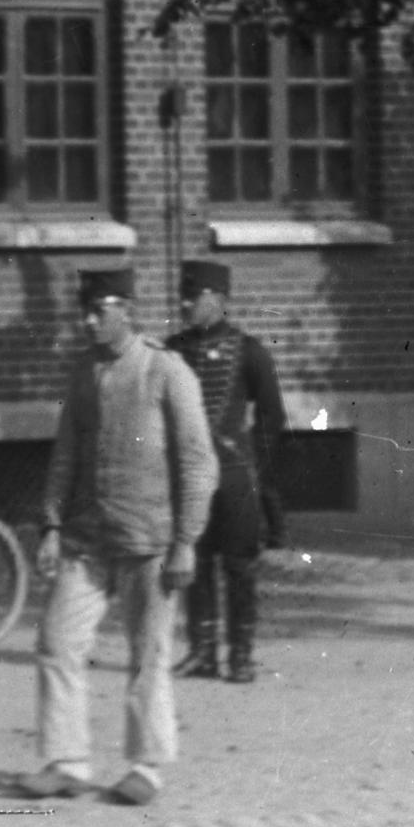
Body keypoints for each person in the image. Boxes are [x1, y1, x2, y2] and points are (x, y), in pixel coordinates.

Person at [18, 268, 219, 806]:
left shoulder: (166, 369)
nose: (88, 321)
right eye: (84, 312)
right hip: (86, 539)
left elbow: (198, 462)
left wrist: (186, 541)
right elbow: (65, 455)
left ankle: (146, 768)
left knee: (148, 653)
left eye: (98, 311)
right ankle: (67, 762)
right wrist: (51, 525)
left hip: (150, 542)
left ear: (126, 310)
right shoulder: (84, 371)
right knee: (57, 642)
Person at [168, 258, 287, 684]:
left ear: (218, 299)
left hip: (234, 475)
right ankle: (202, 651)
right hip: (190, 477)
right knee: (196, 560)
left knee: (239, 566)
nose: (184, 303)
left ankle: (240, 654)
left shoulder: (249, 351)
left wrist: (256, 467)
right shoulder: (173, 351)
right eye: (182, 295)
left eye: (193, 296)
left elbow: (272, 417)